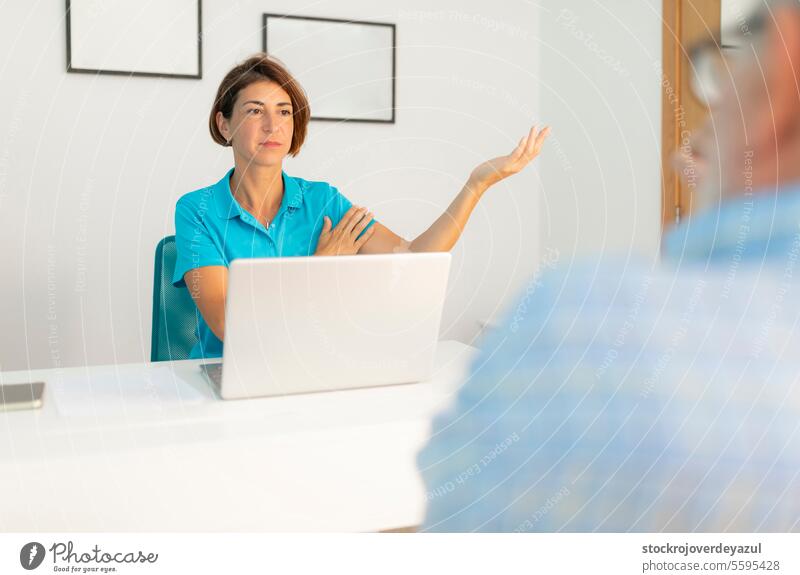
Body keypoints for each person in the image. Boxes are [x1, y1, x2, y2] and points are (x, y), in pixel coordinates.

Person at [418, 1, 800, 531]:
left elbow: (414, 264)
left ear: (782, 67)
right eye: (255, 110)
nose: (682, 159)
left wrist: (479, 182)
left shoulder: (580, 324)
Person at [172, 53, 550, 359]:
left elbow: (414, 255)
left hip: (311, 365)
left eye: (284, 111)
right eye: (255, 110)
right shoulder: (198, 210)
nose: (273, 125)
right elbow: (225, 322)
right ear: (224, 125)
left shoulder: (323, 201)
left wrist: (476, 185)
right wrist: (317, 270)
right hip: (227, 369)